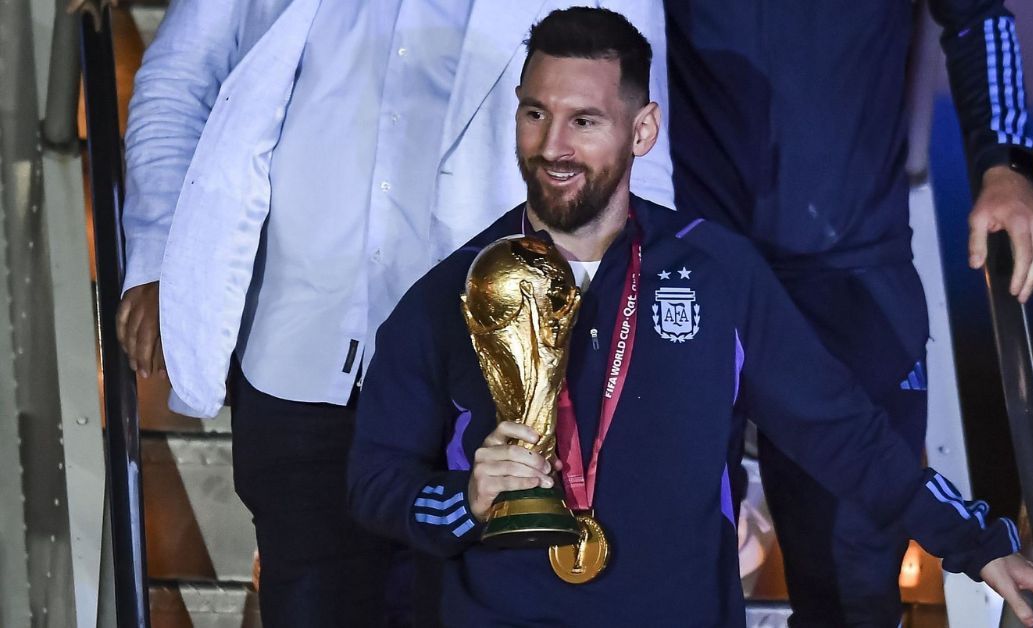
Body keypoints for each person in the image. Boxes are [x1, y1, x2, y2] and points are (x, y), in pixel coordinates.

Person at [348, 8, 1033, 627]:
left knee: (845, 570)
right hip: (506, 604)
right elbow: (377, 481)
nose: (553, 145)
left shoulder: (713, 275)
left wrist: (979, 544)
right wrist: (464, 501)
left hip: (835, 267)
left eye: (583, 120)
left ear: (640, 130)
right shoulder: (459, 289)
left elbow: (849, 439)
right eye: (536, 115)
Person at [114, 0, 672, 624]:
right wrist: (165, 250)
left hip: (484, 389)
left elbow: (637, 168)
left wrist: (620, 386)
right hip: (298, 357)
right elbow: (177, 78)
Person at [664, 2, 1033, 624]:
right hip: (695, 271)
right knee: (674, 571)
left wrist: (1006, 164)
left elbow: (978, 15)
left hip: (851, 278)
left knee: (851, 588)